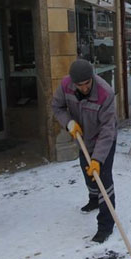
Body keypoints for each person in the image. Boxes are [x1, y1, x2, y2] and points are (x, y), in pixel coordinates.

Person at [52, 59, 117, 243]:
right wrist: (69, 122)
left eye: (87, 83)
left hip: (104, 138)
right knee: (86, 170)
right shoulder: (65, 86)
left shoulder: (105, 93)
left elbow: (107, 129)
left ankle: (106, 225)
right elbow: (57, 106)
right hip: (83, 137)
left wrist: (98, 159)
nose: (84, 88)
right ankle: (94, 199)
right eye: (79, 85)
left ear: (92, 78)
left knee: (103, 177)